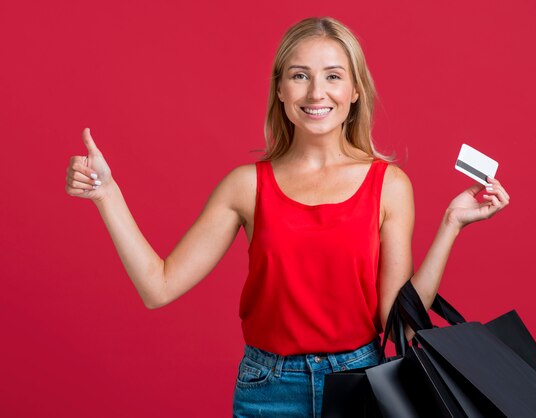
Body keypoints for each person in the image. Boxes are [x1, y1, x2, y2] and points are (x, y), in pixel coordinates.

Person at [65, 16, 509, 418]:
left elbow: (400, 320)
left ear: (355, 91)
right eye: (300, 76)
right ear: (281, 89)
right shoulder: (245, 186)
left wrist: (452, 222)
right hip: (268, 389)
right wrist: (107, 194)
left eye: (333, 76)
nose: (317, 93)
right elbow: (157, 287)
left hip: (361, 383)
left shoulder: (389, 185)